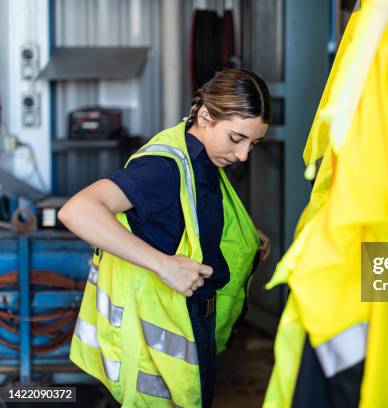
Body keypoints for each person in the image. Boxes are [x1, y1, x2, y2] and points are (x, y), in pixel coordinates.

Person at [59, 68, 271, 407]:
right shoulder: (164, 168)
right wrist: (163, 265)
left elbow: (191, 221)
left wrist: (245, 236)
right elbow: (77, 210)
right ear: (205, 116)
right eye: (236, 138)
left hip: (189, 331)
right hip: (152, 353)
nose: (243, 155)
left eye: (253, 143)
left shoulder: (200, 158)